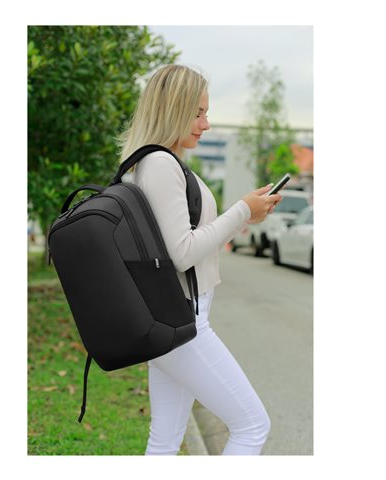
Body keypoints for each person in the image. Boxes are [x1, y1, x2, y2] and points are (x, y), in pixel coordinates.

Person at [118, 64, 282, 455]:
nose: (206, 124)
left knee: (165, 438)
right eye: (198, 113)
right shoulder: (160, 165)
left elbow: (186, 240)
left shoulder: (154, 163)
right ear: (173, 109)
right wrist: (241, 210)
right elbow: (182, 253)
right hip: (181, 321)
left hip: (169, 315)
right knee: (252, 425)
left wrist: (246, 217)